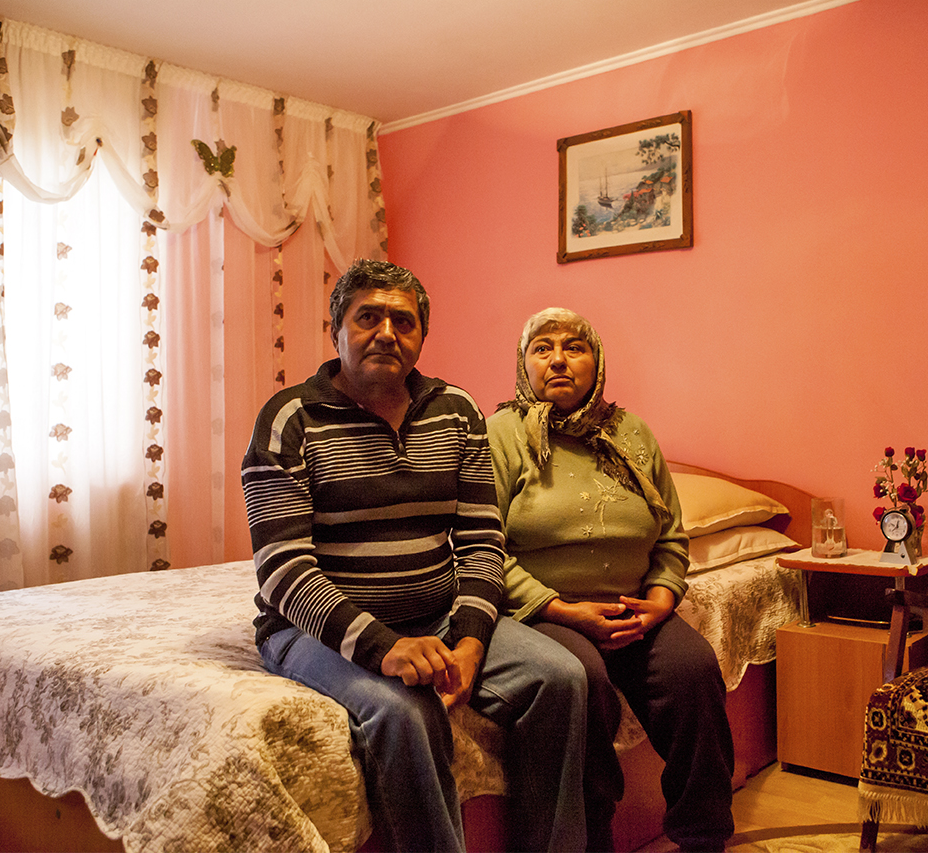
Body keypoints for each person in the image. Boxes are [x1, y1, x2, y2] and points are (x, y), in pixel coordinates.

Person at [242, 262, 587, 853]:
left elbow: (481, 542)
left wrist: (474, 639)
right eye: (367, 317)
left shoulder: (455, 410)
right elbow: (282, 571)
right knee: (407, 712)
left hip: (438, 615)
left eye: (403, 321)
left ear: (422, 336)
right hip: (315, 631)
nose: (386, 332)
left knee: (561, 678)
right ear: (337, 331)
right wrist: (383, 647)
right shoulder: (290, 419)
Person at [487, 307, 735, 853]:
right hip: (548, 612)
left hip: (637, 608)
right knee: (584, 681)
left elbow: (670, 535)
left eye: (575, 347)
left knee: (694, 671)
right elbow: (483, 548)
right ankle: (591, 836)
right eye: (543, 347)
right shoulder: (501, 435)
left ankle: (703, 836)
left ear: (596, 361)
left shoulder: (632, 433)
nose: (559, 359)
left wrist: (661, 601)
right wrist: (560, 609)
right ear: (523, 363)